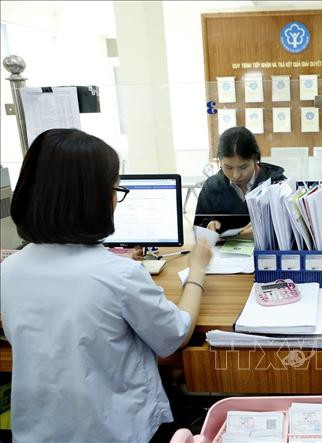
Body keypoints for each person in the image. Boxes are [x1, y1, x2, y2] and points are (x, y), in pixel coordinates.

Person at [1, 128, 213, 442]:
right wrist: (197, 270)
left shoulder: (10, 269)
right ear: (94, 200)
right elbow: (175, 335)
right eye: (115, 189)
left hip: (37, 432)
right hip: (116, 432)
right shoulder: (118, 275)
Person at [194, 126, 286, 235]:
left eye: (243, 167)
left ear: (255, 159)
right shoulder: (211, 187)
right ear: (219, 160)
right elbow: (199, 224)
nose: (236, 175)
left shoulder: (278, 184)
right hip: (223, 246)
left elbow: (291, 227)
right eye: (228, 167)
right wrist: (208, 224)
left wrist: (265, 229)